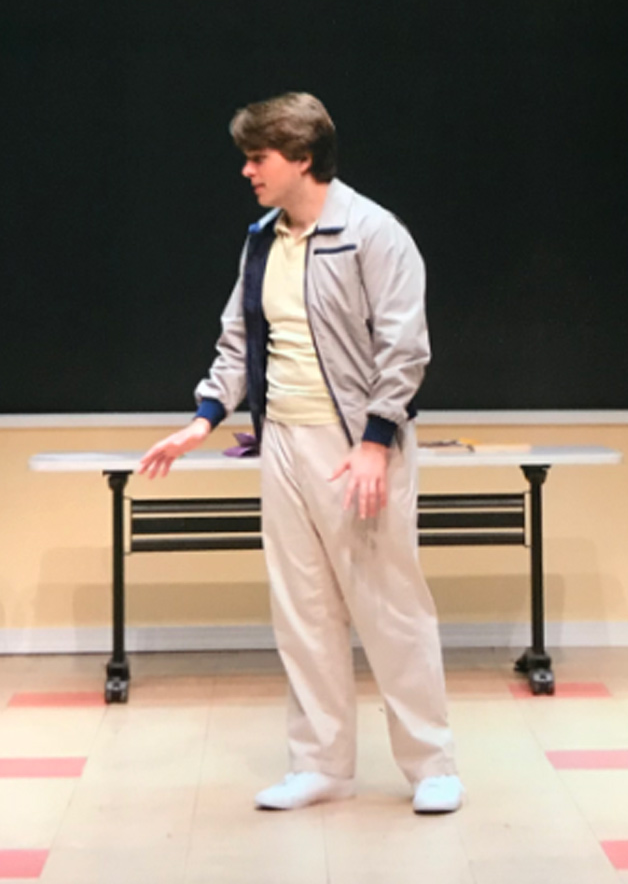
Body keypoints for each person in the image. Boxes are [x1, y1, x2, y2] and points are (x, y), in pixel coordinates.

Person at [140, 92, 462, 815]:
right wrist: (203, 418)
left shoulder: (375, 234)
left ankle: (431, 764)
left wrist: (378, 443)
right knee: (304, 608)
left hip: (356, 447)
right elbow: (238, 342)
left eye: (257, 158)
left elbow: (404, 349)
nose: (247, 172)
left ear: (302, 157)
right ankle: (321, 764)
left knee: (390, 608)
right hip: (281, 442)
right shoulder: (261, 240)